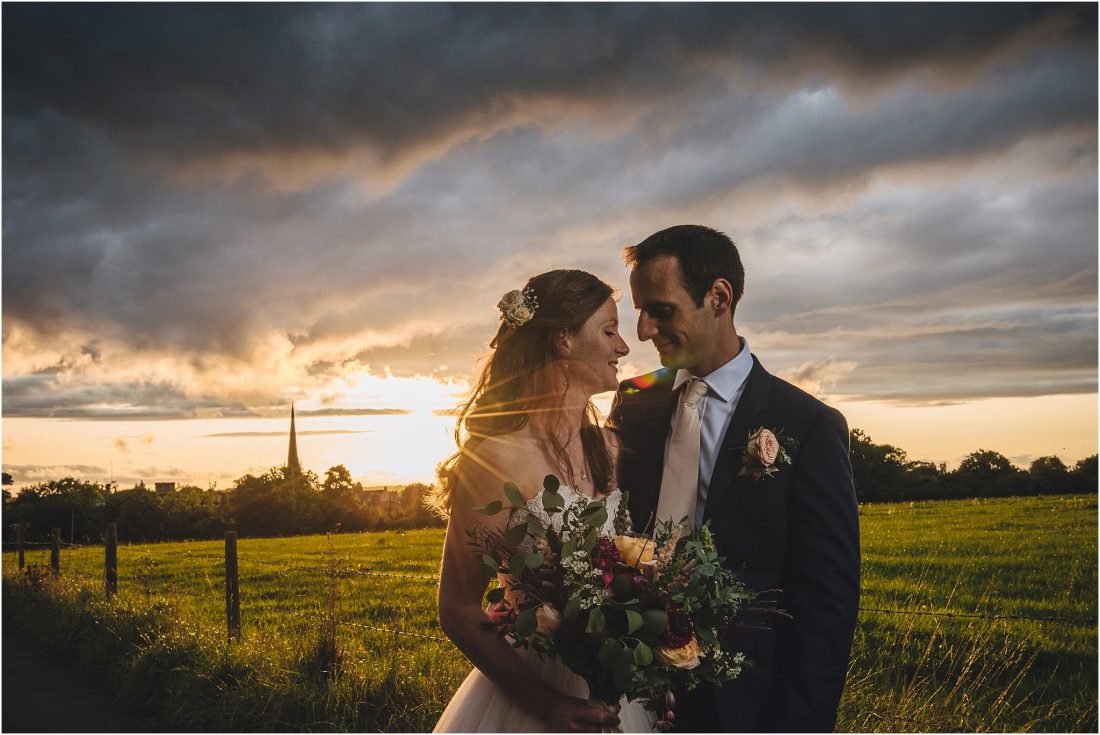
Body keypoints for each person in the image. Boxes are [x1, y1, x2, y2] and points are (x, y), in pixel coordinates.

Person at [608, 225, 860, 733]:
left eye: (660, 309)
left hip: (743, 703)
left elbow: (826, 605)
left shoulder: (807, 425)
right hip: (627, 690)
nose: (642, 331)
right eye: (639, 311)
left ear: (718, 297)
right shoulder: (633, 401)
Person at [430, 269, 652, 733]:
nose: (624, 347)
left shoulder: (608, 448)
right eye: (609, 330)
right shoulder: (494, 458)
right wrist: (546, 703)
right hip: (535, 691)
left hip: (617, 687)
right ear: (563, 340)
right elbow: (458, 607)